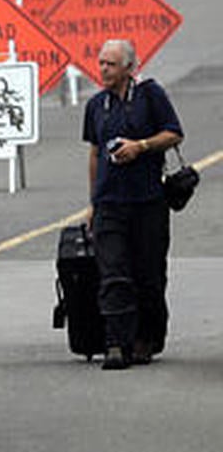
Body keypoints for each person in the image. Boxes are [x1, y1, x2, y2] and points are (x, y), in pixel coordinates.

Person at [83, 38, 183, 370]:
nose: (103, 69)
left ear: (128, 67)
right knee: (112, 272)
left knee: (148, 275)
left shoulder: (150, 95)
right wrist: (93, 202)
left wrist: (140, 146)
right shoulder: (96, 105)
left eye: (110, 64)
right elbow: (95, 153)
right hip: (110, 203)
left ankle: (147, 337)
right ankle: (115, 342)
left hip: (147, 201)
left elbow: (174, 134)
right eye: (101, 63)